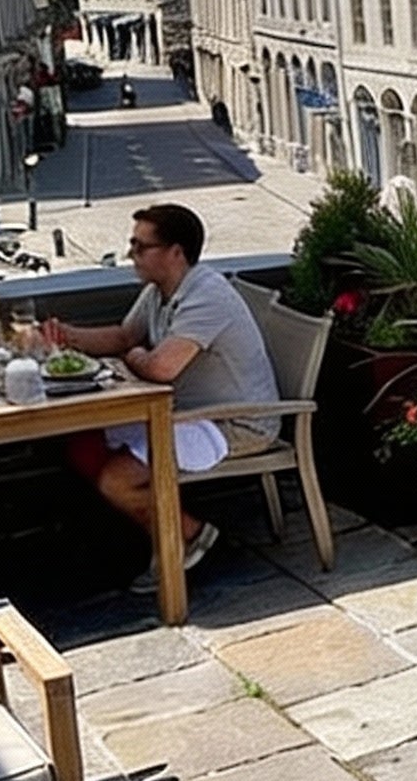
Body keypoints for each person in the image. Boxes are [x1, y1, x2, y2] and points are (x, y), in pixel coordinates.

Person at [47, 204, 279, 591]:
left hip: (236, 422)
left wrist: (133, 357)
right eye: (132, 245)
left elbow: (158, 368)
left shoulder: (206, 295)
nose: (131, 255)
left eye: (141, 247)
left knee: (116, 480)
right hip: (185, 413)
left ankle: (187, 534)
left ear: (176, 252)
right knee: (83, 444)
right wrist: (64, 334)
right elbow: (124, 337)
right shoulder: (160, 290)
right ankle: (169, 532)